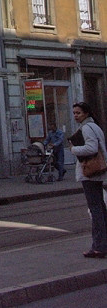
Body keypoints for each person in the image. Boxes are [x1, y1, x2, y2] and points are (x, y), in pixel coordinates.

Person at [69, 101, 107, 258]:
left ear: (86, 113)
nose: (76, 116)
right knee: (101, 208)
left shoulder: (86, 128)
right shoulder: (95, 127)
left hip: (90, 172)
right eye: (74, 113)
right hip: (98, 171)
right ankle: (103, 244)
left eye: (78, 113)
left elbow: (91, 148)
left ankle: (98, 247)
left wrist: (73, 149)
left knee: (95, 209)